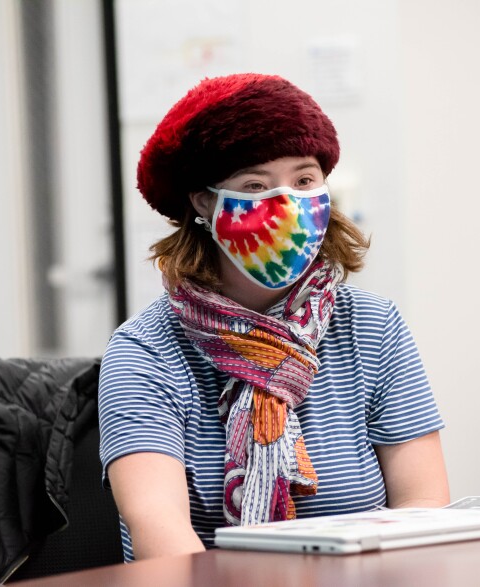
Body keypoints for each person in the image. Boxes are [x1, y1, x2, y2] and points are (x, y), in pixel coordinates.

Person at [98, 73, 450, 561]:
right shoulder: (146, 348)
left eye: (304, 180)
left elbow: (425, 504)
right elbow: (160, 532)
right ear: (204, 203)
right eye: (255, 185)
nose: (286, 205)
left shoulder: (372, 325)